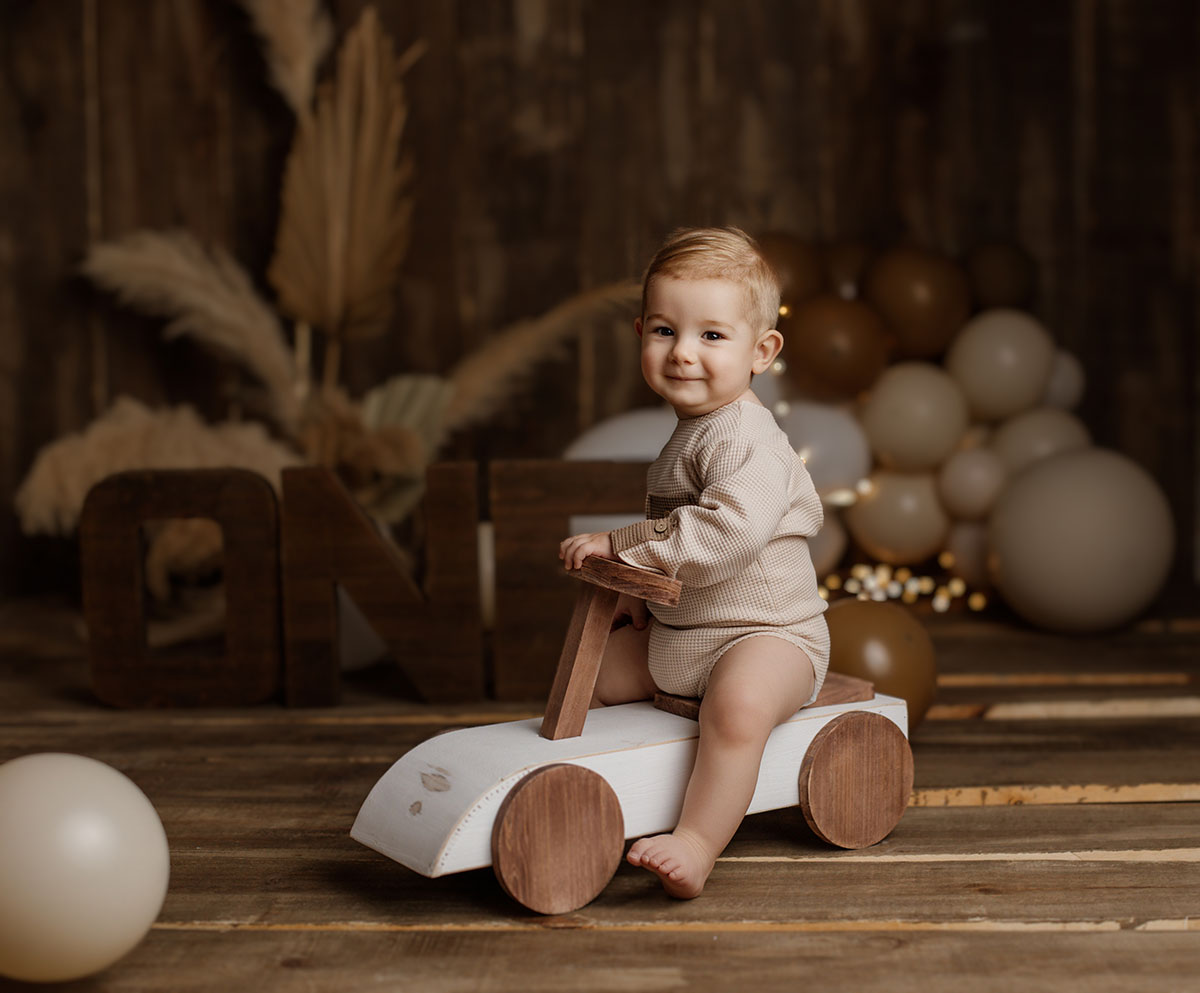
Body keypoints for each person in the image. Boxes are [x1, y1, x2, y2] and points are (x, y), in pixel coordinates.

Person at [559, 226, 829, 899]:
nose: (682, 352)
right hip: (684, 635)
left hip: (767, 636)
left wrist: (629, 550)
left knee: (737, 707)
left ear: (761, 351)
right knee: (593, 671)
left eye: (711, 334)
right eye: (664, 330)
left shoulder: (748, 439)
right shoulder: (693, 432)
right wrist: (630, 575)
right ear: (640, 334)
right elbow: (678, 537)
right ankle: (592, 796)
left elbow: (724, 535)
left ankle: (698, 840)